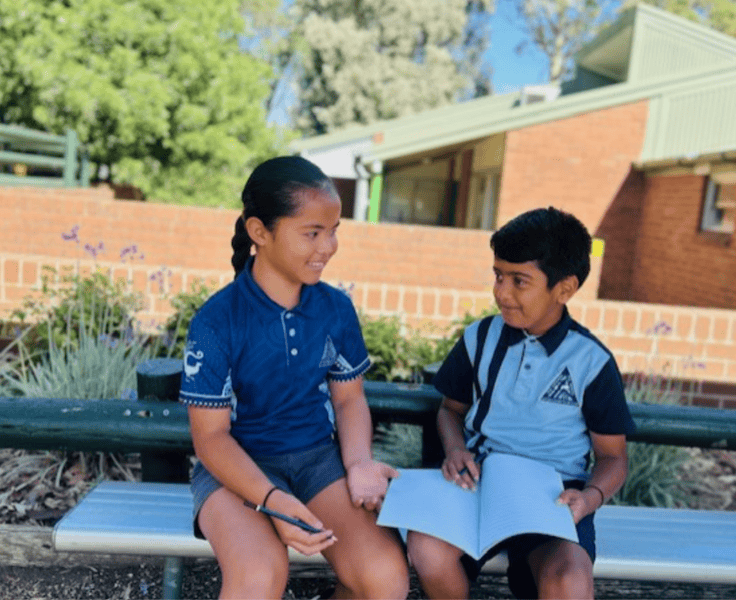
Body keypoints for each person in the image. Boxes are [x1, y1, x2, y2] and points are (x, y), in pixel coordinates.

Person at [179, 156, 409, 600]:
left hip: (317, 461)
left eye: (334, 229)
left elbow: (348, 400)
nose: (329, 246)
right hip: (236, 470)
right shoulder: (217, 320)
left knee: (384, 577)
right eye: (313, 233)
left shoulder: (336, 309)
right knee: (259, 577)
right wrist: (274, 501)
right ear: (259, 232)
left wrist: (359, 463)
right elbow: (211, 439)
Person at [407, 207, 636, 600]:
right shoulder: (480, 338)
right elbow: (450, 409)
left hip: (554, 496)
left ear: (564, 289)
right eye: (498, 275)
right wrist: (456, 449)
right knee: (427, 549)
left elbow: (613, 459)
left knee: (568, 579)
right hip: (479, 481)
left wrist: (588, 499)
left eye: (519, 281)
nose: (502, 292)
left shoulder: (591, 361)